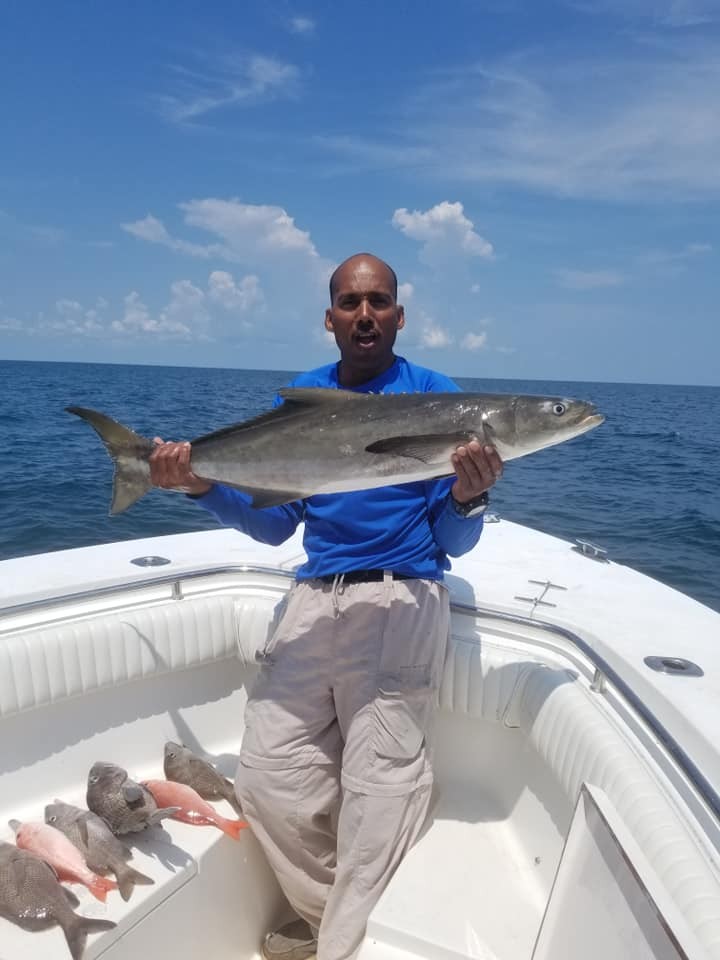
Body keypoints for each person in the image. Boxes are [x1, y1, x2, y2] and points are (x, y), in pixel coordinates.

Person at [149, 253, 503, 960]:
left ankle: (334, 947)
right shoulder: (306, 398)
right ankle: (344, 924)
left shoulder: (439, 399)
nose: (364, 314)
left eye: (378, 302)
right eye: (350, 302)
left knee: (377, 801)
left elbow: (452, 542)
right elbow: (278, 526)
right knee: (267, 785)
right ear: (331, 318)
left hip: (402, 598)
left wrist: (469, 495)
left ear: (399, 316)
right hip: (314, 600)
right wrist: (200, 485)